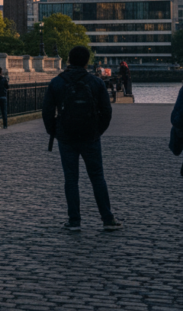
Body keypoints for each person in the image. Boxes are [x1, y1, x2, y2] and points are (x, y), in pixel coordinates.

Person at [42, 46, 122, 232]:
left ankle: (74, 220)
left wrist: (55, 131)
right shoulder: (96, 82)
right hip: (90, 136)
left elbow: (47, 111)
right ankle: (107, 219)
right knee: (97, 177)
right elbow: (106, 112)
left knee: (71, 179)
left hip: (66, 137)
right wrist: (97, 131)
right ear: (87, 61)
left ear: (69, 60)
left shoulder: (56, 82)